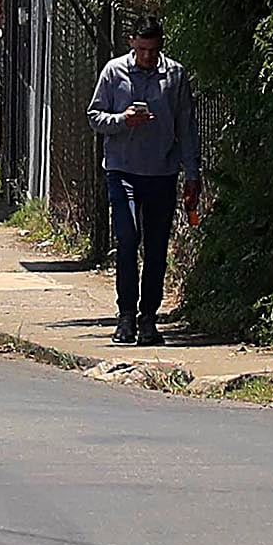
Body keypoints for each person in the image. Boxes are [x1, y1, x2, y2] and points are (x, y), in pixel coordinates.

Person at [86, 23, 202, 346]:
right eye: (142, 50)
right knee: (127, 238)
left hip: (162, 173)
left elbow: (187, 126)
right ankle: (125, 317)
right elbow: (94, 116)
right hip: (123, 171)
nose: (148, 57)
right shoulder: (113, 73)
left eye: (153, 50)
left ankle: (148, 317)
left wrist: (192, 173)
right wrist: (123, 120)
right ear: (132, 44)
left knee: (156, 248)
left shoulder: (174, 76)